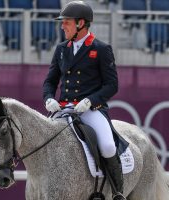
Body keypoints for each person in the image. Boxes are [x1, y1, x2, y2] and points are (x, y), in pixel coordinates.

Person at [42, 1, 126, 200]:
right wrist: (48, 99)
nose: (63, 26)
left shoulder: (101, 49)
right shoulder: (61, 49)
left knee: (107, 146)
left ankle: (117, 192)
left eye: (67, 22)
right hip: (63, 109)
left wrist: (90, 101)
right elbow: (50, 81)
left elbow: (112, 85)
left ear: (81, 23)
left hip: (90, 109)